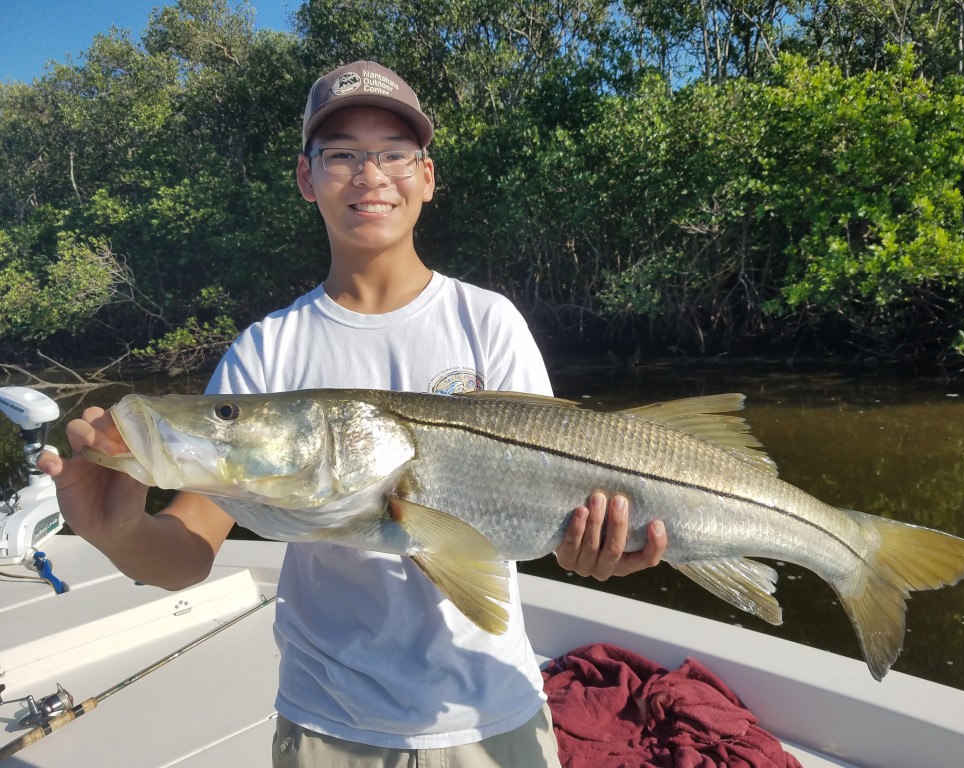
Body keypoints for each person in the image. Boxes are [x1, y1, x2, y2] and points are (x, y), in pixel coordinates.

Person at [38, 60, 667, 767]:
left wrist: (596, 548)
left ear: (427, 178)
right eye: (341, 154)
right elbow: (187, 553)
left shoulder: (488, 322)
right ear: (307, 178)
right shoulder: (267, 350)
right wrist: (119, 531)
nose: (371, 175)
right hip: (329, 728)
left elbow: (551, 503)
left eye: (395, 153)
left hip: (495, 712)